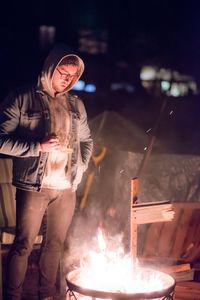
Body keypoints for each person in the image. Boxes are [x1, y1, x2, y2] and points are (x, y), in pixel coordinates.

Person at [0, 44, 93, 300]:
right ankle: (12, 296)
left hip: (66, 189)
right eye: (63, 73)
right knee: (23, 246)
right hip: (33, 186)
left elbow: (87, 141)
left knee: (54, 246)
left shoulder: (76, 105)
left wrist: (80, 171)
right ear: (50, 69)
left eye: (74, 76)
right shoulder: (22, 98)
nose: (68, 80)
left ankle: (47, 296)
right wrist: (37, 147)